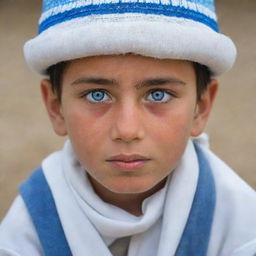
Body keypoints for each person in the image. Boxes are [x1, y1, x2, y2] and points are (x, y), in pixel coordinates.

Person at [0, 0, 255, 255]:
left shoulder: (241, 226)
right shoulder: (26, 230)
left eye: (158, 95)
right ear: (56, 107)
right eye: (97, 95)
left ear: (201, 106)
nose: (127, 130)